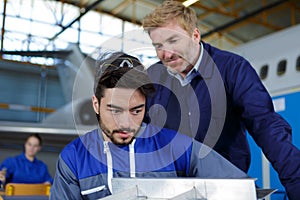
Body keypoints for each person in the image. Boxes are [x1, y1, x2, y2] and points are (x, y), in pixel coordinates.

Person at [141, 1, 300, 199]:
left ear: (195, 35)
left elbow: (266, 126)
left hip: (225, 189)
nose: (166, 54)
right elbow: (139, 137)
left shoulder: (232, 69)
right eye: (158, 46)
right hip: (170, 191)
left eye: (173, 41)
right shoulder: (152, 79)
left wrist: (297, 182)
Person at [50, 52, 248, 200]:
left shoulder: (177, 147)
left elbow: (240, 188)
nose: (126, 123)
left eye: (136, 110)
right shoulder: (73, 159)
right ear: (96, 104)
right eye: (115, 110)